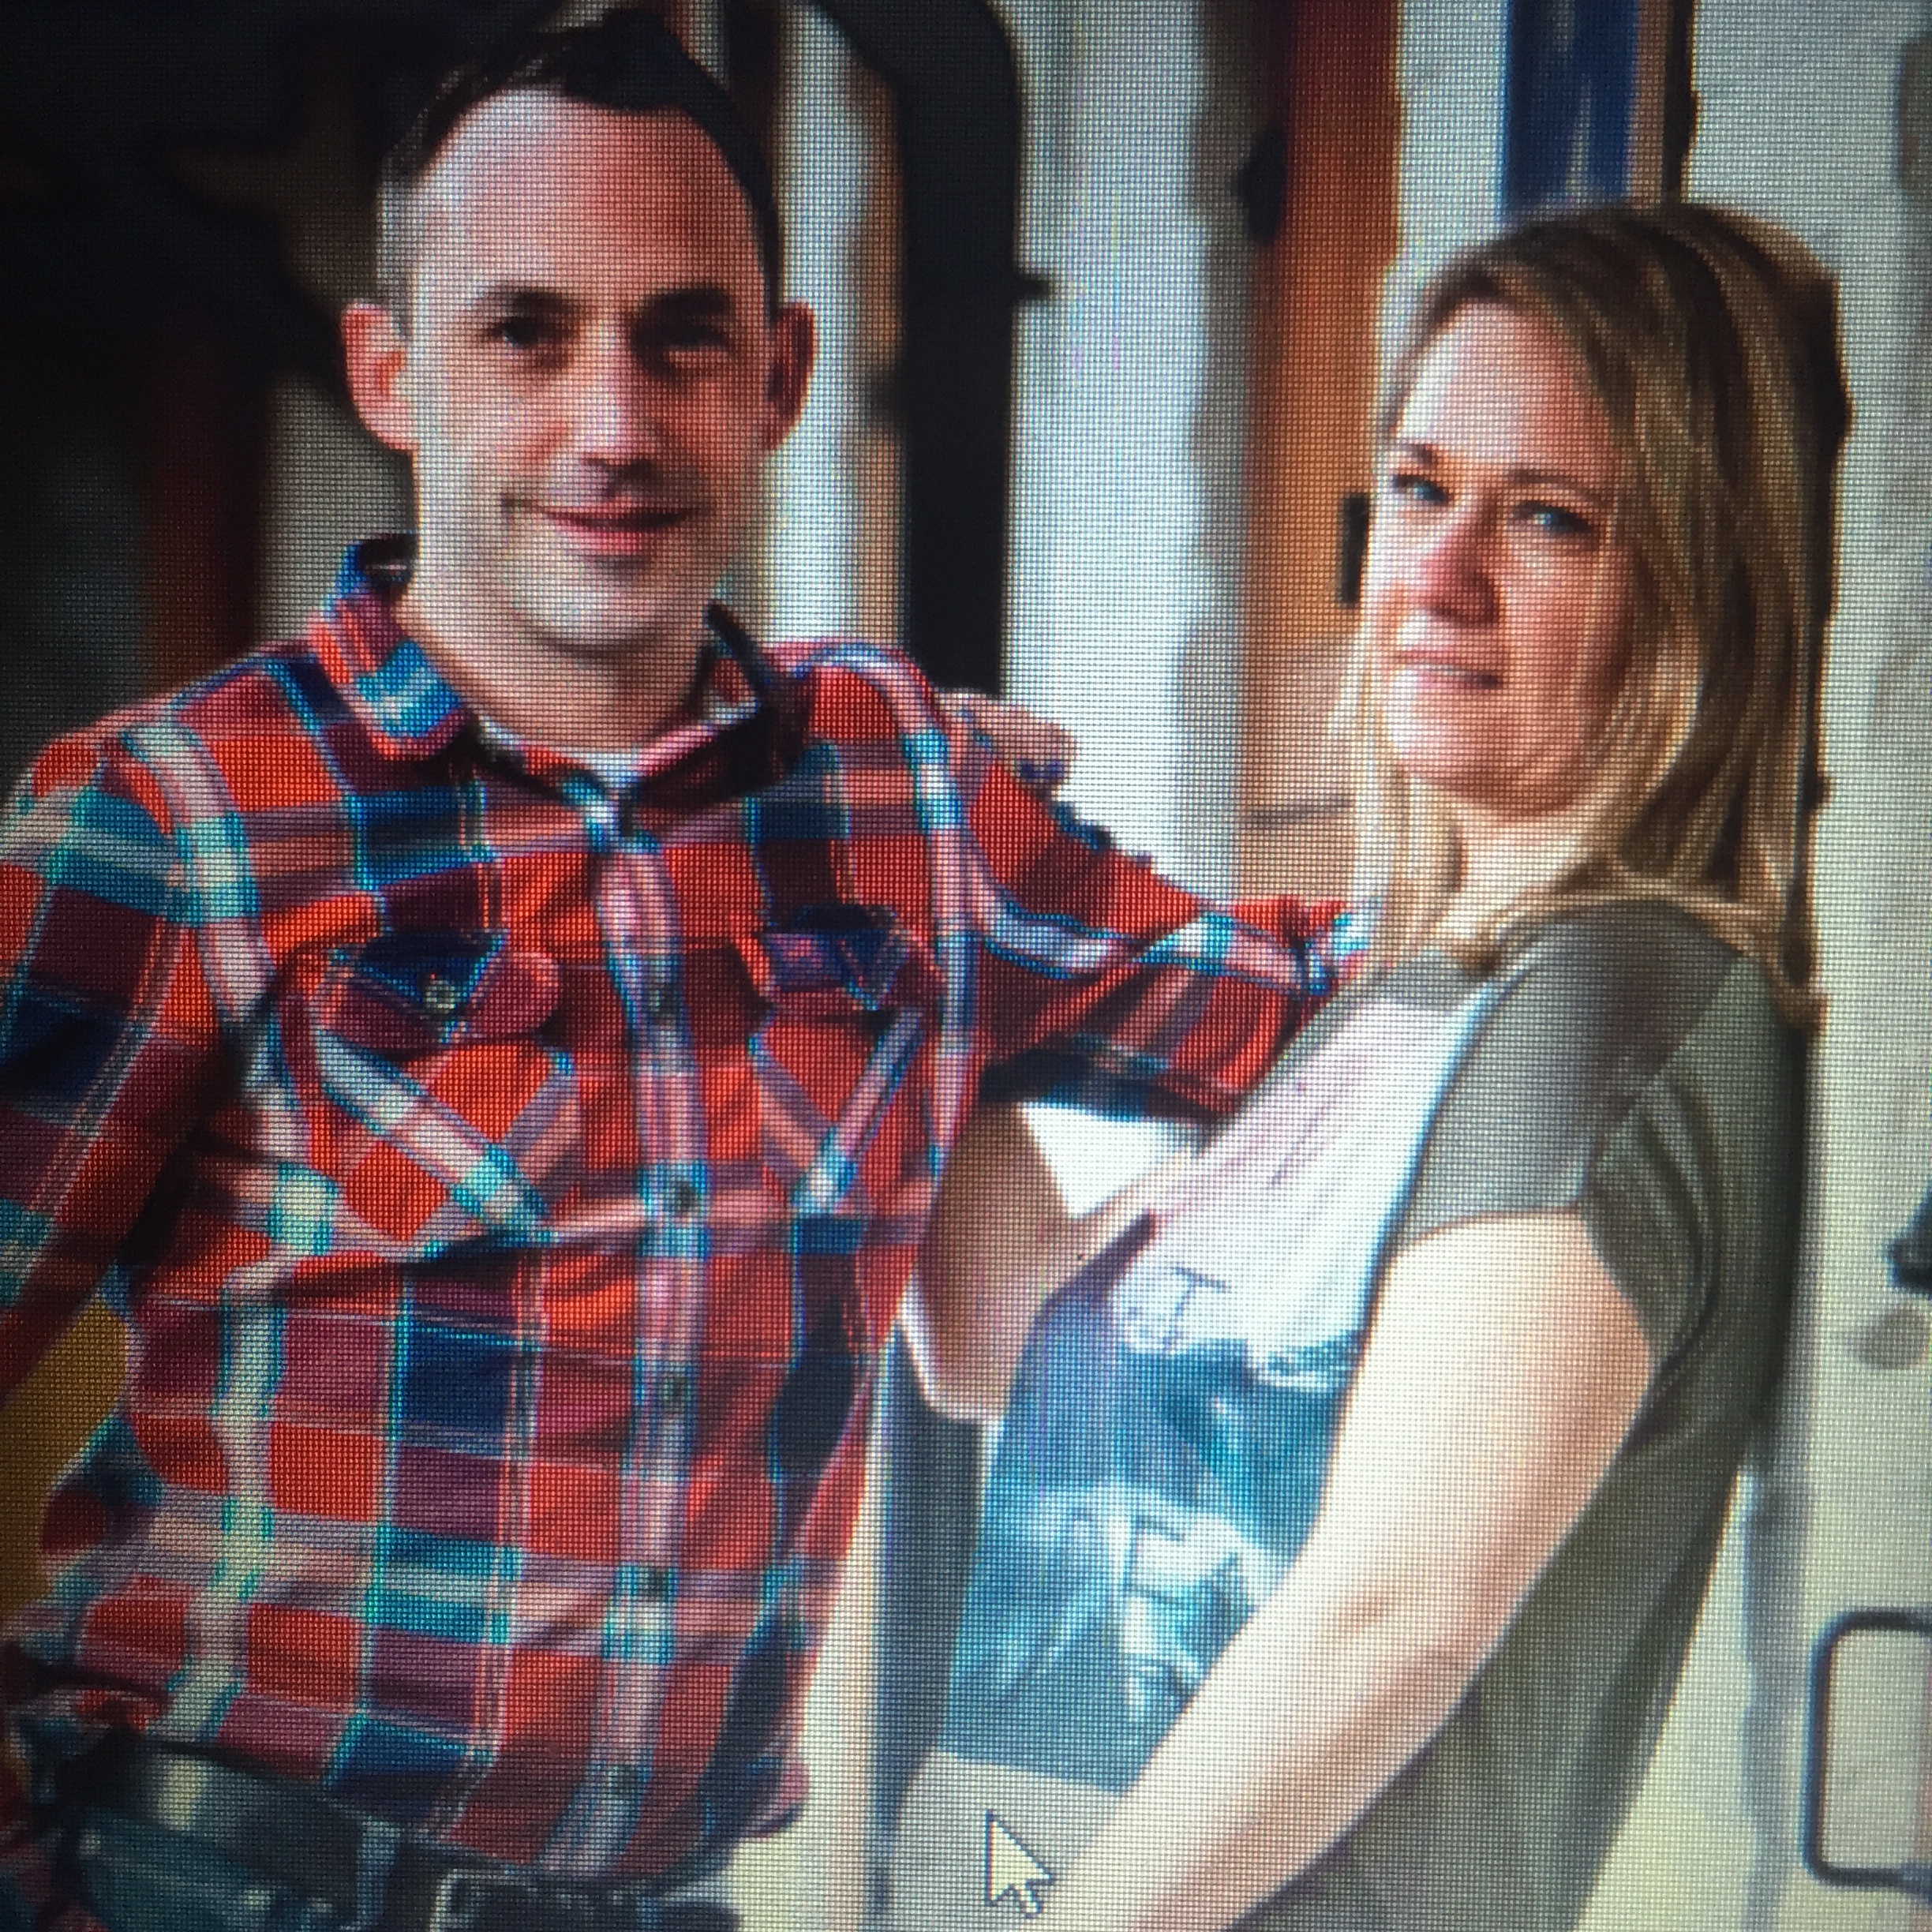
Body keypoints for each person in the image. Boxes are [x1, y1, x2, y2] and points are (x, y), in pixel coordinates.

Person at [0, 14, 1335, 1932]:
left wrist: (1639, 864)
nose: (614, 426)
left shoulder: (901, 798)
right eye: (525, 334)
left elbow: (1298, 1002)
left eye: (682, 335)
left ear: (778, 373)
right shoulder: (176, 818)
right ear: (390, 370)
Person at [886, 202, 1847, 1932]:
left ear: (1702, 581)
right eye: (1419, 489)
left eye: (1548, 519)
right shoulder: (1394, 993)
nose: (1438, 578)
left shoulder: (1607, 1006)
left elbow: (1386, 1621)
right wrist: (939, 906)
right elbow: (1015, 1357)